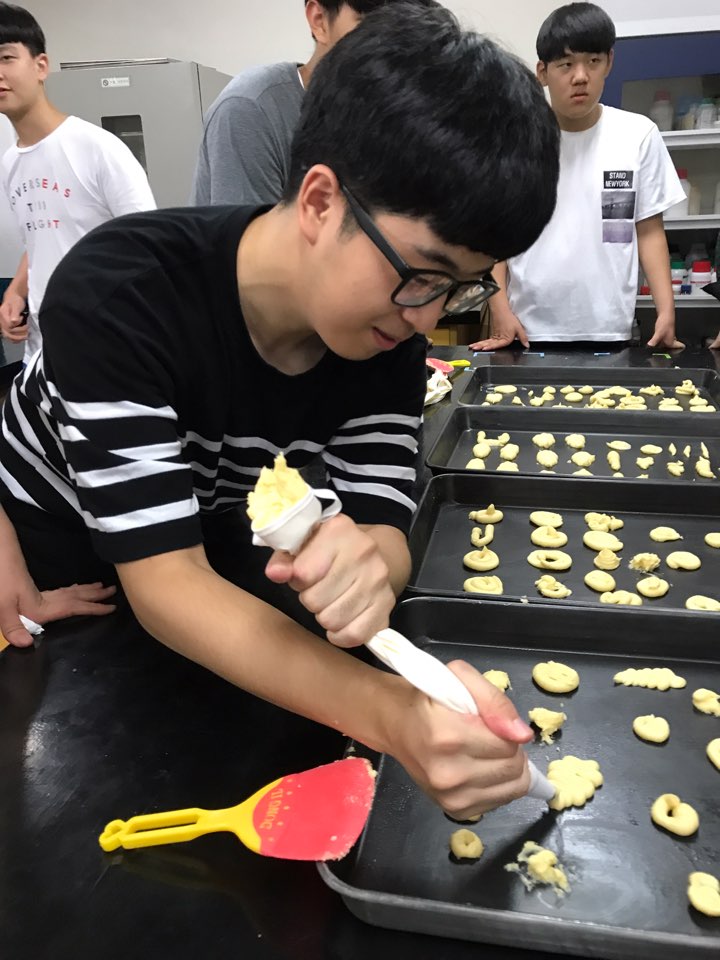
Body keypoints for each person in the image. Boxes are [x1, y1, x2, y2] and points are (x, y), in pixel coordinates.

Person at [0, 5, 560, 817]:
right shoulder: (125, 291)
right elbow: (168, 586)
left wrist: (369, 570)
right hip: (48, 549)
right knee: (64, 791)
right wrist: (393, 716)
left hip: (185, 543)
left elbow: (379, 518)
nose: (426, 318)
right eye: (422, 275)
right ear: (321, 202)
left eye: (460, 288)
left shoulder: (382, 331)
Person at [470, 1, 685, 352]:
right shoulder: (516, 139)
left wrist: (666, 311)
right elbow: (496, 239)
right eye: (566, 64)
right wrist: (500, 310)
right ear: (543, 72)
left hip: (610, 329)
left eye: (593, 61)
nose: (581, 76)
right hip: (528, 331)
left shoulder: (637, 135)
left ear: (609, 62)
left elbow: (648, 230)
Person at [0, 2, 156, 364]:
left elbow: (150, 246)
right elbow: (44, 237)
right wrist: (16, 291)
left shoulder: (97, 148)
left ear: (41, 65)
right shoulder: (10, 162)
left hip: (105, 347)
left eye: (6, 57)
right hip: (42, 351)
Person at [190, 0, 435, 206]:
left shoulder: (385, 116)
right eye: (372, 26)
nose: (391, 48)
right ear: (319, 20)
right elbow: (249, 246)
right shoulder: (251, 108)